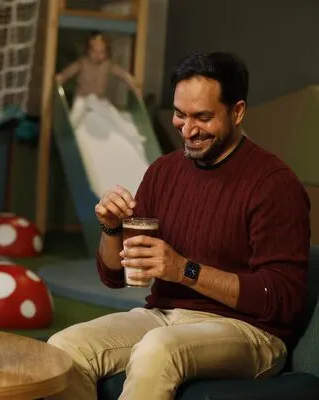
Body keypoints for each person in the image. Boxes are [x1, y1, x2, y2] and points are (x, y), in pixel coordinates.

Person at [48, 50, 310, 400]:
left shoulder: (274, 184)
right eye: (179, 114)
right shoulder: (163, 171)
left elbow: (282, 299)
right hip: (164, 316)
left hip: (251, 332)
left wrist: (183, 270)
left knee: (158, 349)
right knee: (63, 348)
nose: (187, 129)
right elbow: (114, 276)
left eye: (202, 117)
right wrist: (111, 228)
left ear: (238, 111)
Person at [56, 31, 146, 151]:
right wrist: (60, 78)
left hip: (99, 99)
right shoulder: (82, 63)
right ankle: (69, 141)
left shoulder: (107, 65)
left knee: (115, 117)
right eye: (94, 51)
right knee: (75, 118)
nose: (98, 55)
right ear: (88, 51)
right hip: (82, 98)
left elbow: (123, 75)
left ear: (106, 52)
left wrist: (135, 86)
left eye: (102, 52)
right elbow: (67, 73)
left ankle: (132, 136)